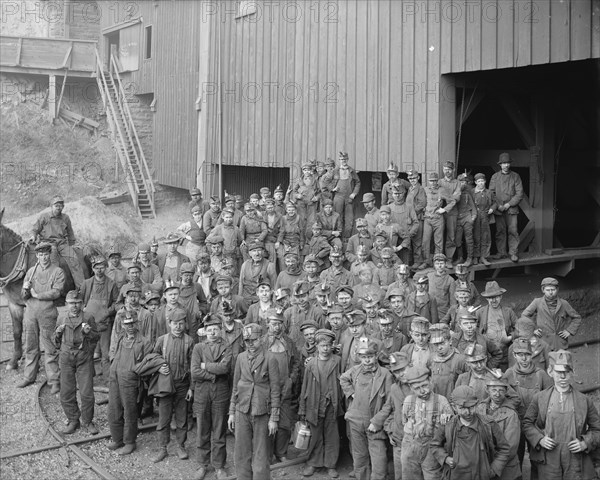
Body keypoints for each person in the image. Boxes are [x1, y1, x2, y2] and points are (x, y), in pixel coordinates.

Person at [523, 350, 600, 480]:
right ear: (550, 372)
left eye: (567, 371)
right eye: (559, 372)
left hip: (575, 459)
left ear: (572, 372)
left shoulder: (584, 400)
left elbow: (597, 429)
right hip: (548, 459)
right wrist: (539, 439)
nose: (563, 377)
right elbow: (527, 423)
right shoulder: (540, 398)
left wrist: (585, 443)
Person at [228, 323, 281, 480]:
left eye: (254, 340)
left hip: (261, 411)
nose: (250, 344)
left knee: (261, 453)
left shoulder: (270, 358)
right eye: (247, 341)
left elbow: (276, 390)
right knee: (241, 451)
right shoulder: (240, 358)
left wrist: (274, 418)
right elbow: (235, 387)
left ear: (262, 339)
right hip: (242, 410)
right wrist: (231, 412)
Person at [430, 385, 510, 480]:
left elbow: (504, 449)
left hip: (482, 475)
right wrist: (445, 458)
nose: (467, 412)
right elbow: (435, 445)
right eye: (462, 408)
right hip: (456, 475)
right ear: (454, 407)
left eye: (471, 407)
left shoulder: (488, 424)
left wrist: (493, 470)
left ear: (477, 404)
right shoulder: (448, 425)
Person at [340, 338, 393, 480]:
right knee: (359, 457)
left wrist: (377, 422)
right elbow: (343, 379)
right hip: (356, 420)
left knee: (379, 458)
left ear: (376, 356)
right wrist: (351, 393)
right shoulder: (355, 370)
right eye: (363, 357)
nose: (367, 361)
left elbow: (389, 402)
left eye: (370, 357)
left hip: (374, 423)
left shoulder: (385, 374)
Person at [18, 241, 66, 391]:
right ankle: (29, 376)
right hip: (31, 313)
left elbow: (57, 292)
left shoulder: (57, 271)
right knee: (31, 346)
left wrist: (38, 295)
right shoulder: (31, 271)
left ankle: (54, 381)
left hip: (47, 314)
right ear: (37, 256)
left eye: (46, 254)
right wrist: (25, 291)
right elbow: (23, 296)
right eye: (40, 255)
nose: (43, 257)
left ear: (49, 255)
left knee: (50, 347)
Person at [191, 314, 233, 480]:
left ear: (220, 330)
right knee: (202, 430)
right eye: (210, 330)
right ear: (205, 331)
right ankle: (202, 464)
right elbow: (195, 371)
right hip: (202, 392)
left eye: (216, 329)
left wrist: (206, 366)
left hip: (220, 394)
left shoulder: (227, 347)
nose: (213, 332)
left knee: (219, 430)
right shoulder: (198, 348)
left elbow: (225, 368)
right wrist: (212, 375)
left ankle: (219, 466)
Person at [503, 337, 553, 475]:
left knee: (537, 461)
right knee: (514, 459)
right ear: (514, 355)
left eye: (527, 354)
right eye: (520, 355)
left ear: (532, 355)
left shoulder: (541, 375)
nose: (524, 359)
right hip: (516, 425)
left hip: (536, 425)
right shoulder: (509, 374)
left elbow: (550, 400)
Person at [298, 328, 343, 478]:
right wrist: (303, 408)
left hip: (332, 404)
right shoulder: (311, 364)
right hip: (314, 405)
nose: (325, 348)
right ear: (316, 346)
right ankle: (313, 462)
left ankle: (331, 464)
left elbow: (343, 382)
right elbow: (304, 387)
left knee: (332, 436)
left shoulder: (337, 361)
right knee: (315, 435)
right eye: (322, 345)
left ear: (332, 346)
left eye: (328, 345)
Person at [151, 309, 195, 463]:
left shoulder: (189, 341)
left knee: (182, 418)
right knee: (164, 418)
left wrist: (191, 387)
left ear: (185, 324)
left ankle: (181, 446)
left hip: (183, 384)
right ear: (169, 324)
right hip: (165, 384)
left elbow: (193, 367)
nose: (178, 327)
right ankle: (163, 448)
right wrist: (158, 367)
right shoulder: (162, 340)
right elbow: (153, 357)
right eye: (175, 324)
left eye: (181, 324)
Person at [54, 290, 99, 435]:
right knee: (66, 392)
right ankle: (73, 419)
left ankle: (87, 421)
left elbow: (96, 337)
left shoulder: (88, 317)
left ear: (82, 304)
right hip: (66, 357)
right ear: (66, 304)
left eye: (78, 303)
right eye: (72, 303)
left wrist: (88, 333)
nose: (75, 306)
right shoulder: (61, 317)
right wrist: (58, 334)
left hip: (83, 358)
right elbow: (55, 342)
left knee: (86, 393)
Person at [107, 310, 152, 455]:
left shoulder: (144, 342)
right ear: (122, 324)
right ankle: (117, 438)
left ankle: (129, 442)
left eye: (132, 323)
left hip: (130, 381)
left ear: (137, 323)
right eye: (126, 324)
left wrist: (138, 377)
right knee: (114, 409)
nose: (130, 326)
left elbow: (147, 366)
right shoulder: (121, 338)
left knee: (130, 412)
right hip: (115, 378)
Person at [399, 366, 453, 480]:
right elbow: (404, 421)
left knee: (433, 476)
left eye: (425, 385)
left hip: (432, 446)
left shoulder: (441, 401)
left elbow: (452, 426)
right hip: (410, 444)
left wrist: (447, 419)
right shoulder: (408, 401)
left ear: (430, 380)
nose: (423, 391)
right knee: (409, 475)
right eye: (417, 388)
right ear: (410, 387)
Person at [368, 352, 410, 479]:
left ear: (410, 365)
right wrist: (388, 429)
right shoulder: (394, 388)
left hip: (416, 439)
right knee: (399, 473)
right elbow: (388, 409)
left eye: (403, 369)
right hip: (398, 438)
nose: (400, 374)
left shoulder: (420, 386)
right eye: (396, 372)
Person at [30, 195, 85, 288]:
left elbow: (70, 232)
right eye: (56, 206)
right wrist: (33, 236)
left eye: (60, 206)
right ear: (51, 207)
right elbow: (35, 229)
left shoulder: (65, 218)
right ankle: (51, 288)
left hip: (62, 244)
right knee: (53, 262)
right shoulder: (44, 217)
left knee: (74, 260)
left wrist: (72, 245)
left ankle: (81, 288)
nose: (58, 208)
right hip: (48, 243)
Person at [80, 255, 118, 383]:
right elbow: (80, 300)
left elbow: (116, 303)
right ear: (93, 268)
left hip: (104, 323)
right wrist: (84, 310)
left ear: (106, 268)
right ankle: (89, 376)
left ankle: (108, 379)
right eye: (97, 268)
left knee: (105, 353)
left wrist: (106, 312)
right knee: (88, 351)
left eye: (102, 267)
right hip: (89, 324)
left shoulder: (112, 284)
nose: (99, 270)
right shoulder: (87, 283)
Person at [476, 377, 522, 480]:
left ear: (506, 391)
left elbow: (511, 448)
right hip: (482, 465)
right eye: (494, 390)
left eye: (501, 390)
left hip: (505, 469)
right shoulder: (479, 408)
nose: (497, 394)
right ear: (487, 390)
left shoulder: (511, 414)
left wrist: (494, 467)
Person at [521, 277, 582, 351]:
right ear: (543, 290)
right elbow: (524, 315)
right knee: (544, 361)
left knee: (560, 362)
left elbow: (577, 318)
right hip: (543, 341)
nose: (550, 292)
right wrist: (533, 329)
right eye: (547, 290)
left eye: (553, 290)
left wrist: (569, 331)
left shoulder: (563, 303)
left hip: (559, 342)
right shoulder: (537, 302)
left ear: (557, 290)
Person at [489, 152, 524, 263]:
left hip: (512, 209)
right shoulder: (495, 177)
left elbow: (519, 193)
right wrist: (498, 205)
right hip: (499, 209)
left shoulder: (516, 176)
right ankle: (501, 252)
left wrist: (509, 204)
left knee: (513, 231)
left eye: (508, 163)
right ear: (500, 165)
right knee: (500, 231)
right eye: (504, 163)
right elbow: (491, 193)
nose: (506, 165)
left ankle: (513, 253)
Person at [419, 172, 457, 270]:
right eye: (431, 181)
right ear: (428, 181)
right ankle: (426, 261)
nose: (433, 183)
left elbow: (452, 201)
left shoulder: (442, 190)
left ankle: (438, 262)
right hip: (427, 218)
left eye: (435, 181)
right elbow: (421, 201)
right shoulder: (425, 189)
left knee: (438, 242)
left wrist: (444, 209)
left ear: (437, 181)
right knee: (425, 241)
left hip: (438, 219)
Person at [476, 281, 517, 371]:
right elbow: (474, 329)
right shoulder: (480, 312)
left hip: (505, 353)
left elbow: (519, 329)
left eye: (496, 297)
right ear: (486, 298)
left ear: (501, 296)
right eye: (490, 298)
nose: (493, 300)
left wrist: (509, 338)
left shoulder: (508, 312)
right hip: (489, 355)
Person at [429, 323, 467, 399]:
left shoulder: (461, 360)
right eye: (436, 344)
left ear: (450, 341)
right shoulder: (431, 358)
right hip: (436, 402)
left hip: (453, 402)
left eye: (442, 343)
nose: (439, 347)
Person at [331, 151, 361, 239]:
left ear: (347, 160)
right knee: (337, 217)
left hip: (349, 197)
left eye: (344, 159)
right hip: (338, 197)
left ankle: (347, 239)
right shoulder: (335, 171)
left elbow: (358, 182)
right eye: (341, 159)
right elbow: (326, 182)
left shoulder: (351, 170)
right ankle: (337, 238)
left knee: (349, 219)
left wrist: (354, 193)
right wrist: (332, 188)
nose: (343, 161)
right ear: (339, 160)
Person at [439, 162, 461, 268]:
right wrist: (450, 198)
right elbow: (437, 195)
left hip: (452, 213)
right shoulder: (439, 182)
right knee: (438, 236)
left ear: (453, 170)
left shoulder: (457, 183)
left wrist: (445, 197)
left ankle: (449, 259)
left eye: (449, 169)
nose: (447, 171)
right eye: (445, 169)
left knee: (451, 236)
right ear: (443, 170)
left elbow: (457, 198)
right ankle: (438, 259)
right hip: (439, 212)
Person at [454, 172, 477, 267]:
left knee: (469, 239)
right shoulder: (454, 193)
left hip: (467, 218)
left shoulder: (468, 194)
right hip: (457, 219)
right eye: (461, 182)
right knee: (457, 240)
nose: (463, 183)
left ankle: (469, 258)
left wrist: (472, 218)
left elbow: (473, 208)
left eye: (464, 182)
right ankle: (460, 258)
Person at [405, 170, 427, 269]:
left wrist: (412, 214)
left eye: (414, 178)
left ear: (418, 178)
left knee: (417, 241)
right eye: (410, 179)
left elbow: (422, 204)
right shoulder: (410, 188)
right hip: (409, 218)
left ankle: (419, 261)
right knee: (411, 239)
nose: (412, 180)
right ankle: (412, 260)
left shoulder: (420, 189)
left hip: (417, 218)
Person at [472, 173, 494, 266]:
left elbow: (495, 203)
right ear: (475, 182)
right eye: (479, 181)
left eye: (482, 181)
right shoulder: (472, 192)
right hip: (476, 216)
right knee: (475, 236)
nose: (481, 183)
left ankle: (483, 257)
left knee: (485, 236)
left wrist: (492, 209)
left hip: (485, 216)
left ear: (485, 181)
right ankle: (475, 257)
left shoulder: (489, 192)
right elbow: (468, 203)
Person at [427, 253, 454, 318]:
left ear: (445, 264)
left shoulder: (450, 280)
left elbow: (453, 301)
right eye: (437, 264)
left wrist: (452, 316)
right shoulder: (429, 276)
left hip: (443, 312)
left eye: (441, 263)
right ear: (434, 265)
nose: (439, 266)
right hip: (429, 311)